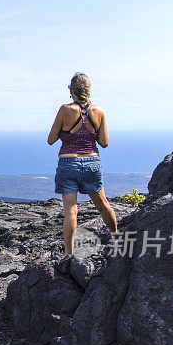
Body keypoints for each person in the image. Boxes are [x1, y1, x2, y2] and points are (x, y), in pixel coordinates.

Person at [47, 72, 118, 259]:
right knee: (102, 205)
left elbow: (51, 140)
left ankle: (68, 255)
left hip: (68, 162)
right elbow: (104, 142)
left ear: (71, 91)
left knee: (71, 210)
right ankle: (118, 241)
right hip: (92, 162)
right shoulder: (99, 111)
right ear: (89, 90)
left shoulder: (65, 109)